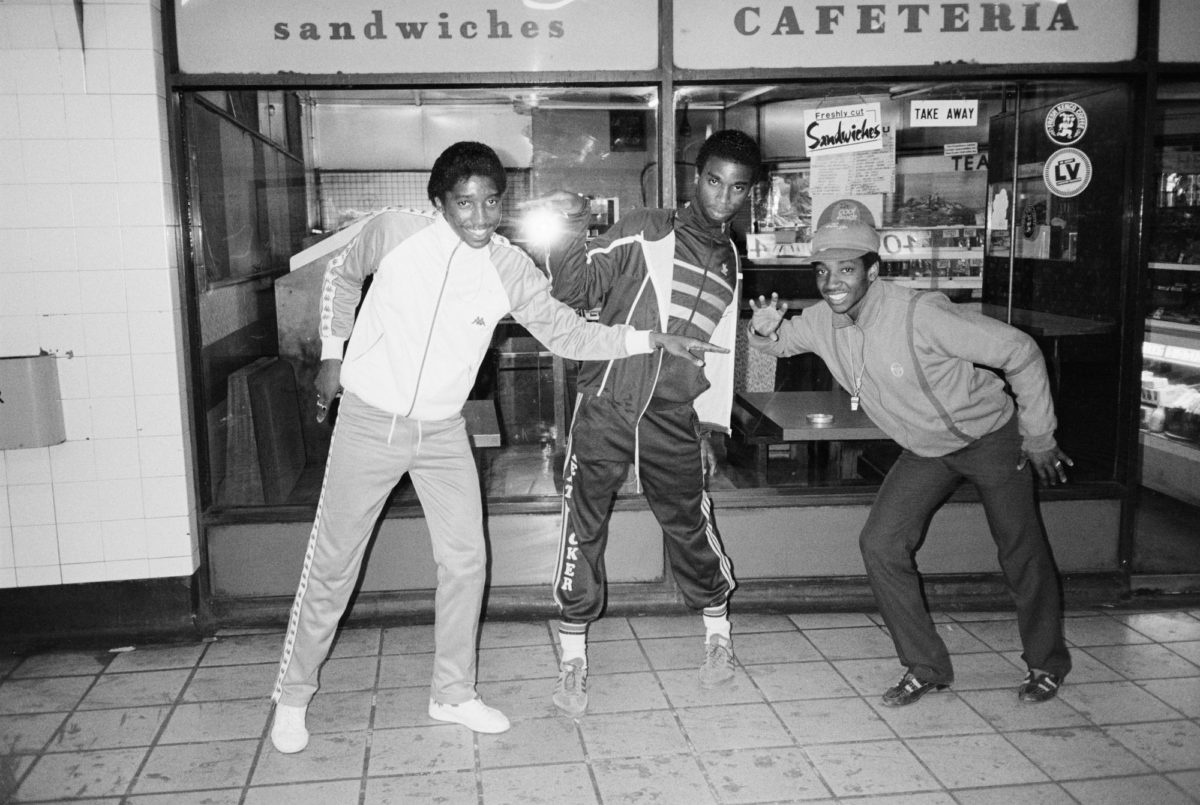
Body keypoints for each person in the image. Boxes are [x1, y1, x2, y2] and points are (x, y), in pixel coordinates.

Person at [268, 141, 725, 754]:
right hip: (369, 420)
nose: (480, 218)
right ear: (439, 203)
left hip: (442, 429)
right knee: (333, 563)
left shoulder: (509, 265)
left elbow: (567, 330)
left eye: (490, 203)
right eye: (465, 204)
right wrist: (332, 354)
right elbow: (341, 276)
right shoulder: (394, 232)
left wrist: (650, 339)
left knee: (465, 562)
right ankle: (293, 696)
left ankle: (451, 693)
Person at [747, 198, 1073, 707]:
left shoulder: (921, 315)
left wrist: (1039, 434)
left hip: (990, 437)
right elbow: (780, 342)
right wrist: (763, 330)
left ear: (872, 270)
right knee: (880, 544)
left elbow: (1020, 351)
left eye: (847, 269)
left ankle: (1047, 663)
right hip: (926, 449)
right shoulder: (820, 320)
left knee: (1020, 552)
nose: (833, 281)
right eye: (823, 270)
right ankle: (926, 666)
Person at [533, 130, 762, 718]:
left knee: (688, 522)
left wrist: (709, 426)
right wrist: (569, 230)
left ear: (749, 193)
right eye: (714, 180)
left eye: (737, 187)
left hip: (673, 415)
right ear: (696, 178)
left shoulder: (733, 259)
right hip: (608, 403)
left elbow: (719, 352)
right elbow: (574, 290)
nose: (722, 196)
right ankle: (574, 657)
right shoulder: (645, 228)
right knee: (583, 527)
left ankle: (718, 638)